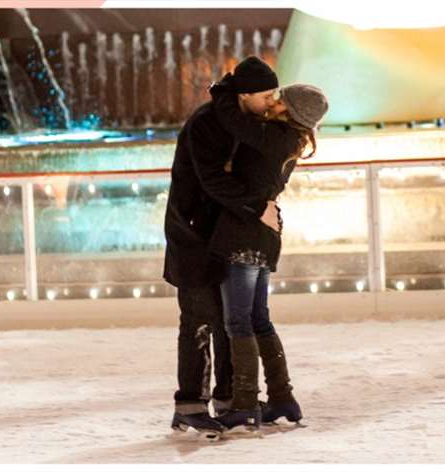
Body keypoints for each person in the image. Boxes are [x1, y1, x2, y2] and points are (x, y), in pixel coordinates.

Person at [163, 56, 283, 436]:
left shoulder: (244, 122)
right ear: (245, 95)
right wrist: (257, 208)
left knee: (230, 319)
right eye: (267, 96)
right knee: (199, 319)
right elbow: (212, 182)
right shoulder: (206, 123)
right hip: (194, 235)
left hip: (226, 234)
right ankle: (190, 404)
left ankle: (229, 399)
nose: (271, 102)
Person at [206, 76, 329, 431]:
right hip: (263, 236)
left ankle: (245, 403)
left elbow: (233, 121)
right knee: (258, 318)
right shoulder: (288, 141)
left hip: (245, 237)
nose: (272, 101)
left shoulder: (274, 138)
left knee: (238, 322)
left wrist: (223, 93)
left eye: (279, 99)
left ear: (290, 112)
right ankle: (281, 398)